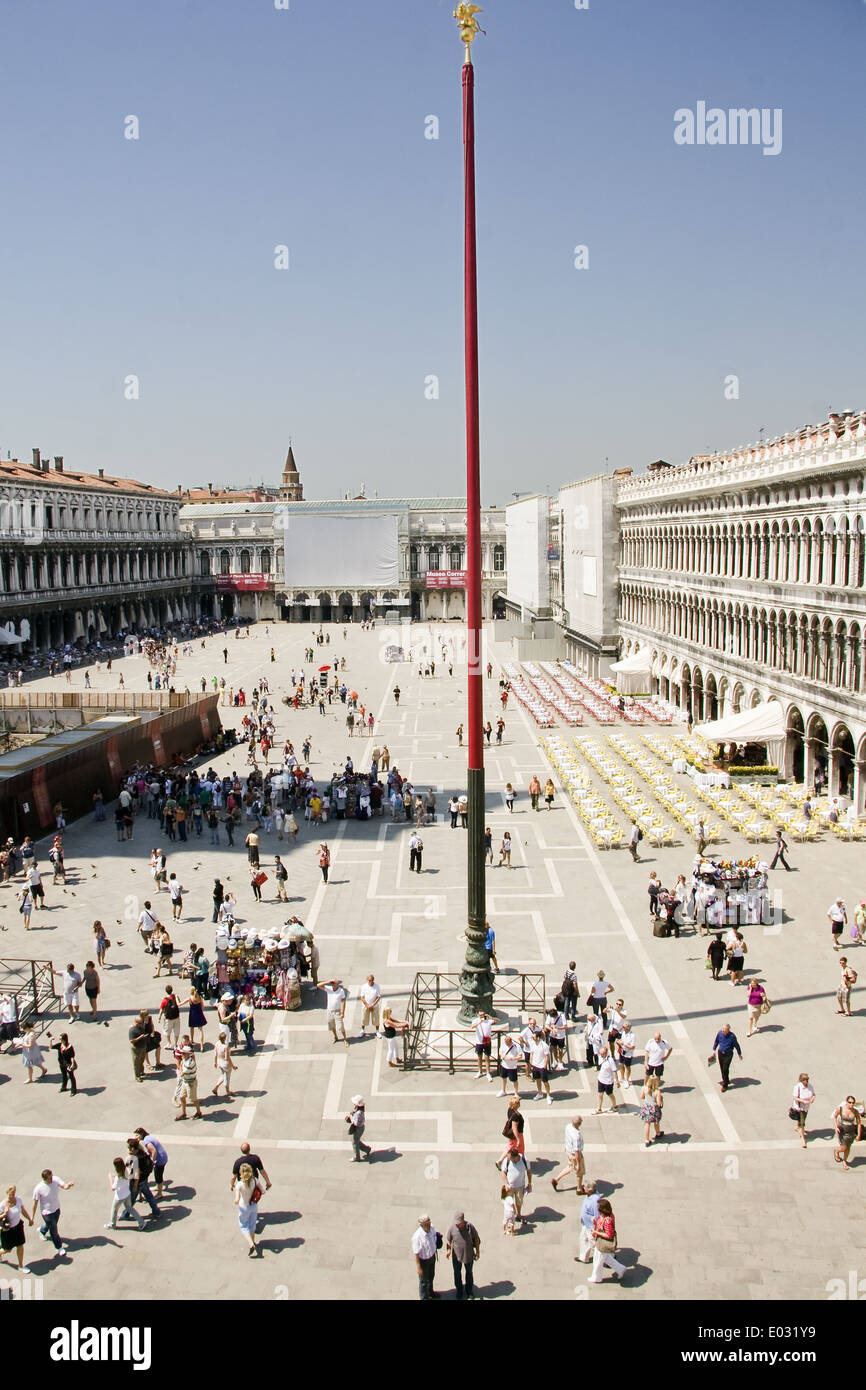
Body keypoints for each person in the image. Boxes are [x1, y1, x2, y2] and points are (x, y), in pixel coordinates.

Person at [31, 1169, 73, 1256]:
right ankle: (59, 1247)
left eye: (51, 1177)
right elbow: (35, 1203)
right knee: (54, 1230)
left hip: (56, 1209)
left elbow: (64, 1186)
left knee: (51, 1225)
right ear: (44, 1179)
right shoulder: (38, 1188)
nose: (51, 1179)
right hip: (47, 1212)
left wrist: (68, 1185)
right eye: (49, 1178)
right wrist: (32, 1217)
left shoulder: (55, 1180)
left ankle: (42, 1231)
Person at [588, 1198, 627, 1284]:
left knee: (597, 1260)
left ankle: (596, 1277)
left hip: (603, 1244)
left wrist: (596, 1232)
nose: (597, 1208)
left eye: (598, 1207)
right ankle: (621, 1269)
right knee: (607, 1259)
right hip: (600, 1242)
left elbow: (609, 1235)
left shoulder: (607, 1220)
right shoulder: (606, 1216)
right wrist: (595, 1223)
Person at [446, 1212, 481, 1301]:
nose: (457, 1225)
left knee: (469, 1273)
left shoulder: (470, 1227)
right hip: (456, 1256)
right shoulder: (452, 1228)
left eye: (459, 1223)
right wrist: (449, 1251)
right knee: (457, 1273)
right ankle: (459, 1291)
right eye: (456, 1223)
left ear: (463, 1221)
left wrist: (477, 1252)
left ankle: (469, 1291)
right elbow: (448, 1241)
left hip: (468, 1255)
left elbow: (476, 1239)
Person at [0, 1184, 34, 1272]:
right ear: (7, 1193)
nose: (12, 1196)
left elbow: (23, 1210)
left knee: (20, 1245)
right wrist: (4, 1214)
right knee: (7, 1250)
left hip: (18, 1227)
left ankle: (21, 1266)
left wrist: (29, 1219)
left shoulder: (18, 1200)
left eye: (13, 1194)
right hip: (7, 1230)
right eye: (10, 1195)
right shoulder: (3, 1205)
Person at [233, 1162, 262, 1257]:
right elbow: (263, 1191)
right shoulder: (255, 1180)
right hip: (253, 1205)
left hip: (244, 1206)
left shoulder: (239, 1184)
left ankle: (251, 1244)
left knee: (243, 1226)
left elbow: (237, 1199)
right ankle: (253, 1241)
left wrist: (236, 1200)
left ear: (241, 1173)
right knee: (252, 1224)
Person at [551, 1116, 585, 1192]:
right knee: (580, 1172)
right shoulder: (576, 1136)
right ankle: (579, 1188)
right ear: (578, 1124)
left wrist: (566, 1148)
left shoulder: (568, 1126)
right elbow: (576, 1151)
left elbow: (567, 1138)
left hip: (568, 1151)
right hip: (574, 1154)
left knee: (570, 1166)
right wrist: (579, 1164)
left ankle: (556, 1180)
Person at [501, 1140, 532, 1223]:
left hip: (520, 1186)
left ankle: (518, 1214)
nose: (509, 1158)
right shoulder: (507, 1161)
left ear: (516, 1157)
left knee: (519, 1201)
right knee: (508, 1202)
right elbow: (503, 1172)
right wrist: (506, 1184)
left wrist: (529, 1183)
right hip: (509, 1187)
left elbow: (529, 1171)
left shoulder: (524, 1160)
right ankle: (511, 1214)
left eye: (511, 1158)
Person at [412, 1215, 440, 1300]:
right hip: (423, 1261)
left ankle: (430, 1292)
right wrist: (418, 1267)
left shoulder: (432, 1228)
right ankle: (424, 1297)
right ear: (421, 1225)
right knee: (423, 1281)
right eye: (426, 1224)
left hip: (432, 1257)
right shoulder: (417, 1237)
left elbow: (434, 1237)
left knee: (431, 1276)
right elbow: (416, 1253)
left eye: (429, 1222)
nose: (428, 1225)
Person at [135, 1129, 169, 1198]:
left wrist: (151, 1162)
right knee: (158, 1174)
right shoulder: (148, 1137)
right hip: (163, 1157)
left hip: (160, 1160)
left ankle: (159, 1193)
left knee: (158, 1176)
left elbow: (154, 1151)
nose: (136, 1137)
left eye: (137, 1135)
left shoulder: (146, 1141)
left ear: (141, 1134)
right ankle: (158, 1187)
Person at [833, 1097, 863, 1170]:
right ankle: (836, 1151)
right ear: (846, 1102)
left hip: (851, 1131)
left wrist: (859, 1134)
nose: (851, 1104)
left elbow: (859, 1123)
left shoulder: (855, 1111)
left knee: (848, 1147)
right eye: (850, 1102)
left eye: (853, 1103)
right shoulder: (841, 1109)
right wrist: (836, 1127)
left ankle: (844, 1161)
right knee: (843, 1147)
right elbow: (835, 1117)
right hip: (842, 1130)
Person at [175, 1041, 203, 1120]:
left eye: (183, 1053)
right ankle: (184, 1113)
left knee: (193, 1099)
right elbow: (180, 1065)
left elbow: (181, 1073)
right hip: (186, 1081)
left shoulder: (190, 1063)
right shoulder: (185, 1059)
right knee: (182, 1097)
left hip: (190, 1083)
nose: (181, 1055)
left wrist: (180, 1067)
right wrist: (180, 1066)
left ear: (188, 1054)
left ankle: (199, 1112)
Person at [711, 1023, 742, 1092]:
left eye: (724, 1030)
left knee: (725, 1068)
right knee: (722, 1068)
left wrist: (739, 1054)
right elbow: (716, 1041)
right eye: (722, 1030)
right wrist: (714, 1050)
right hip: (720, 1053)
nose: (723, 1031)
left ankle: (725, 1085)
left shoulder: (732, 1036)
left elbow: (736, 1045)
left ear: (728, 1030)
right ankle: (726, 1080)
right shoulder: (720, 1033)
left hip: (728, 1054)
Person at [47, 1031, 77, 1095]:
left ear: (64, 1039)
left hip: (68, 1064)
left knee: (71, 1077)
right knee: (64, 1076)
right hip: (62, 1063)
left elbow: (72, 1057)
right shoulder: (60, 1045)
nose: (60, 1040)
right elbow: (51, 1047)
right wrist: (50, 1040)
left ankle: (73, 1090)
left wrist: (72, 1064)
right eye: (60, 1039)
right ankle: (64, 1087)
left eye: (61, 1039)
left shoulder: (70, 1047)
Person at [578, 1180, 600, 1263]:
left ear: (590, 1189)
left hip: (591, 1226)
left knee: (594, 1244)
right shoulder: (589, 1195)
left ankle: (609, 1259)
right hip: (585, 1224)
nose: (583, 1187)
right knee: (583, 1239)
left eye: (585, 1186)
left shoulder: (595, 1200)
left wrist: (595, 1228)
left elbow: (596, 1215)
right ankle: (583, 1257)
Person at [790, 1073, 815, 1149]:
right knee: (802, 1123)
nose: (806, 1081)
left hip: (807, 1107)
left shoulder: (810, 1086)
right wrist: (803, 1101)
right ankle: (803, 1139)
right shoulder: (798, 1087)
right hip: (800, 1107)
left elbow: (813, 1094)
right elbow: (795, 1097)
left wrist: (812, 1099)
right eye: (804, 1080)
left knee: (802, 1119)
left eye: (807, 1079)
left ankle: (798, 1126)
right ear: (801, 1080)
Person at [639, 1074, 664, 1146]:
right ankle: (658, 1133)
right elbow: (659, 1104)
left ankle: (647, 1140)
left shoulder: (644, 1088)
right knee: (656, 1122)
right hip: (654, 1109)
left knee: (647, 1123)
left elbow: (642, 1097)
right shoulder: (657, 1091)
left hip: (646, 1108)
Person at [346, 1094, 371, 1162]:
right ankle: (366, 1149)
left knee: (354, 1142)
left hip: (358, 1129)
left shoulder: (359, 1113)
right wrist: (353, 1114)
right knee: (356, 1141)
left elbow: (356, 1123)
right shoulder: (359, 1110)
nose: (354, 1104)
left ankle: (357, 1157)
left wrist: (350, 1119)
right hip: (361, 1127)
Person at [181, 985, 207, 1050]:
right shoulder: (199, 997)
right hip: (199, 1013)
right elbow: (203, 1006)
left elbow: (180, 1004)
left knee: (192, 1028)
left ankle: (192, 1040)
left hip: (192, 1014)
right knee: (200, 1030)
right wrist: (201, 1011)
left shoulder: (190, 998)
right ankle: (201, 1046)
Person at [323, 979, 349, 1046]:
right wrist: (328, 982)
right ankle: (335, 1037)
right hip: (330, 1011)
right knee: (331, 1025)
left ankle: (345, 1039)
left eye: (334, 983)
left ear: (337, 984)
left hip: (337, 1011)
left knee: (341, 1027)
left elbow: (343, 1001)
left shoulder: (341, 991)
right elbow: (318, 985)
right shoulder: (329, 989)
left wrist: (343, 1012)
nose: (333, 985)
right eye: (332, 983)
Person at [212, 1029, 237, 1098]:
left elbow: (215, 1054)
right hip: (225, 1064)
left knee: (223, 1075)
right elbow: (227, 1058)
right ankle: (228, 1091)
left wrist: (215, 1062)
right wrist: (233, 1066)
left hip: (219, 1062)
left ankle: (216, 1087)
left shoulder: (217, 1043)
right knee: (227, 1078)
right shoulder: (225, 1047)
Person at [530, 1029, 552, 1104]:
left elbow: (547, 1056)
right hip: (535, 1065)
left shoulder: (544, 1045)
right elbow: (532, 1053)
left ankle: (548, 1095)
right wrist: (531, 1063)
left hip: (542, 1066)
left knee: (545, 1082)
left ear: (538, 1038)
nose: (533, 1038)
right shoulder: (533, 1044)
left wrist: (545, 1065)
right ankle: (540, 1093)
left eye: (534, 1037)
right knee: (537, 1080)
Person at [473, 1011, 495, 1081]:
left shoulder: (488, 1021)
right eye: (480, 1015)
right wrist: (479, 1022)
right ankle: (480, 1071)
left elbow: (497, 1020)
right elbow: (472, 1026)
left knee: (487, 1057)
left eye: (483, 1014)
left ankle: (488, 1073)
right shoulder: (475, 1020)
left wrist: (490, 1017)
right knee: (479, 1057)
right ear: (478, 1015)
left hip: (487, 1042)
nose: (482, 1016)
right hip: (479, 1042)